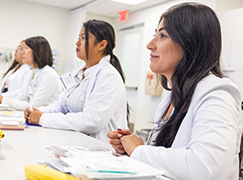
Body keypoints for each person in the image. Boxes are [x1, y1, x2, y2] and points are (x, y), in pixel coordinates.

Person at [107, 3, 242, 180]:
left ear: (190, 43)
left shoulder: (217, 93)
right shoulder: (172, 98)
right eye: (154, 34)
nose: (150, 45)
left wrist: (139, 151)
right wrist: (133, 148)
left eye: (162, 35)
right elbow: (169, 160)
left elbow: (207, 167)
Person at [24, 20, 129, 143]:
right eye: (78, 38)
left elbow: (92, 121)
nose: (77, 43)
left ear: (102, 45)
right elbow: (61, 106)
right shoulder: (79, 74)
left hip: (99, 150)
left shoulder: (109, 77)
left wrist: (42, 119)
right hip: (75, 143)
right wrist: (36, 111)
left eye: (83, 38)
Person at [0, 36, 62, 110]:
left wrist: (3, 100)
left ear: (37, 51)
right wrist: (1, 98)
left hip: (46, 117)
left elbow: (33, 105)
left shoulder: (48, 74)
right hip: (33, 116)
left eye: (26, 48)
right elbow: (21, 96)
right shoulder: (31, 72)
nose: (22, 52)